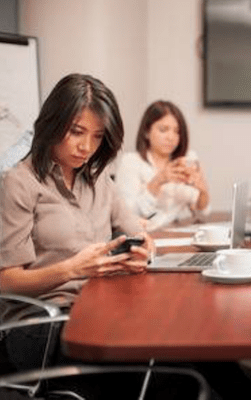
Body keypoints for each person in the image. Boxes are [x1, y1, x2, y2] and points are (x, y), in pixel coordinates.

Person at [0, 73, 153, 397]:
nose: (87, 147)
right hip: (41, 324)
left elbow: (139, 234)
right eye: (76, 132)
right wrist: (72, 269)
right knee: (164, 363)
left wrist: (144, 252)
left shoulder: (99, 181)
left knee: (185, 354)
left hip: (99, 310)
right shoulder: (19, 182)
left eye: (97, 136)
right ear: (52, 124)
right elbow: (6, 281)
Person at [115, 100, 210, 230]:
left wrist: (203, 190)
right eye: (163, 130)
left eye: (177, 131)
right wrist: (159, 180)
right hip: (148, 237)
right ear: (146, 132)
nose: (171, 137)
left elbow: (202, 213)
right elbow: (126, 216)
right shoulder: (131, 162)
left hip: (181, 232)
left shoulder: (187, 159)